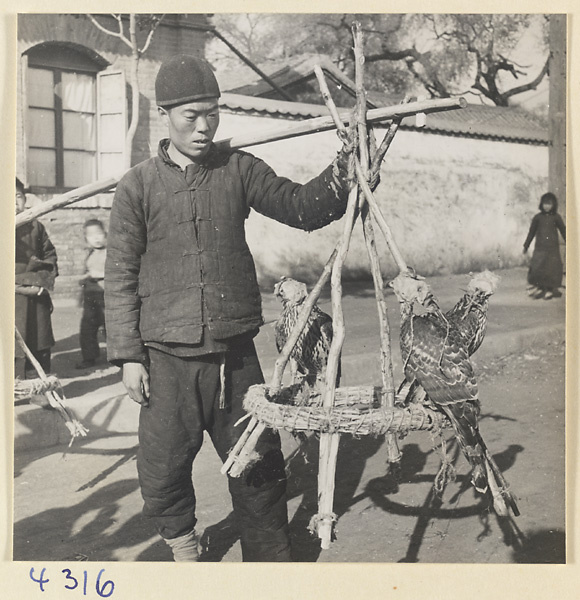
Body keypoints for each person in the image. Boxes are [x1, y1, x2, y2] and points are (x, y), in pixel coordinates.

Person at [104, 55, 354, 562]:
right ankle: (183, 545)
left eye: (212, 114)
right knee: (164, 468)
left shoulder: (238, 170)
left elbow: (302, 207)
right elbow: (120, 276)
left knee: (259, 466)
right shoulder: (137, 186)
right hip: (165, 357)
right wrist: (129, 356)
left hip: (235, 355)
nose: (203, 127)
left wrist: (351, 163)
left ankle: (268, 563)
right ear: (165, 114)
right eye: (190, 115)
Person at [15, 178, 58, 379]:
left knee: (39, 338)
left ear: (25, 199)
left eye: (18, 196)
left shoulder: (35, 227)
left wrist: (39, 281)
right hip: (11, 299)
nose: (14, 202)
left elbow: (49, 256)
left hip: (34, 292)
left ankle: (40, 387)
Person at [523, 192, 566, 300]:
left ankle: (550, 290)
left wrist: (570, 243)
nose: (547, 206)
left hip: (552, 248)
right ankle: (541, 288)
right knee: (538, 267)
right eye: (545, 204)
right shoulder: (537, 218)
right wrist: (526, 246)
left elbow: (564, 231)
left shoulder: (556, 217)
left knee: (551, 268)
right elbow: (531, 233)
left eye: (549, 204)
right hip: (540, 248)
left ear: (553, 205)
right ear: (541, 204)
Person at [77, 219, 107, 369]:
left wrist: (97, 274)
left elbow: (116, 271)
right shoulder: (89, 253)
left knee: (110, 327)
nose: (96, 238)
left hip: (106, 297)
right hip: (90, 297)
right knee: (87, 328)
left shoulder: (110, 252)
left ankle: (121, 357)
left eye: (99, 234)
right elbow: (86, 273)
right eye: (91, 235)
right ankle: (89, 357)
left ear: (105, 235)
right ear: (86, 238)